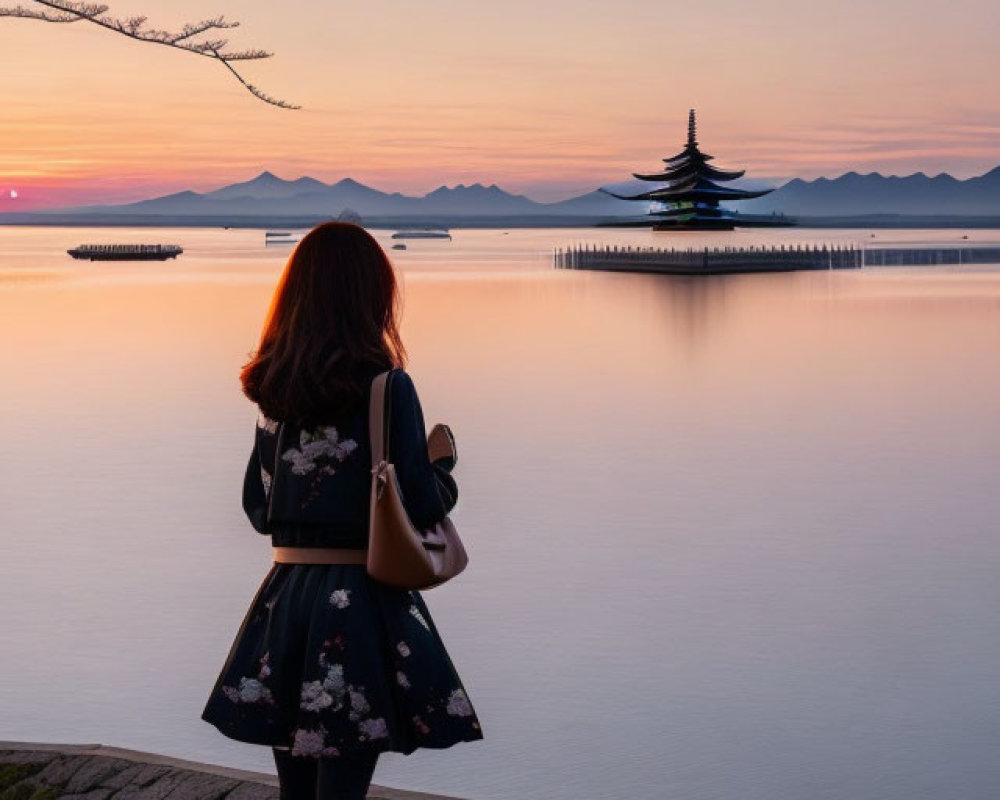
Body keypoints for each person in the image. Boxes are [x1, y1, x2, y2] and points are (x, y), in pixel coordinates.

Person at [201, 222, 482, 800]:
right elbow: (420, 505)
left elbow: (259, 507)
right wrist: (444, 472)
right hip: (357, 603)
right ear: (370, 296)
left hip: (286, 600)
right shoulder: (386, 387)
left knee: (296, 792)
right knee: (344, 787)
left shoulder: (272, 390)